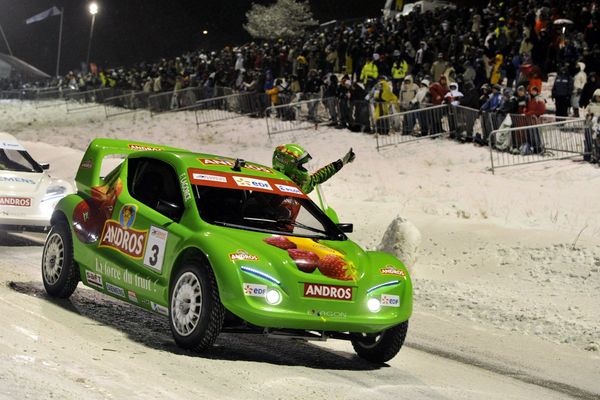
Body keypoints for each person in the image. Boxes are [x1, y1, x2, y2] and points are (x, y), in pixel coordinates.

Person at [272, 144, 355, 194]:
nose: (302, 169)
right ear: (287, 164)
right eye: (299, 165)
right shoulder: (270, 186)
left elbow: (317, 177)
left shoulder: (300, 184)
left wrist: (341, 163)